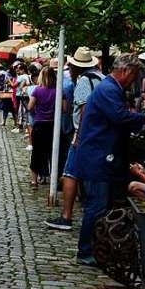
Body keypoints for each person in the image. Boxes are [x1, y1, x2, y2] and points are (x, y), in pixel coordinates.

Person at [72, 53, 145, 266]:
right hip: (98, 157)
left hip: (102, 155)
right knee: (97, 205)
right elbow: (120, 117)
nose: (134, 80)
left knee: (101, 205)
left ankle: (96, 249)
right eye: (134, 75)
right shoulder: (109, 89)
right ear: (125, 71)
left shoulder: (111, 89)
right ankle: (86, 251)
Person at [47, 47, 102, 231]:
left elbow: (85, 110)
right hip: (100, 134)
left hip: (84, 134)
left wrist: (78, 136)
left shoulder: (84, 82)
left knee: (71, 173)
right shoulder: (102, 78)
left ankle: (66, 216)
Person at [28, 66, 58, 187]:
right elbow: (65, 108)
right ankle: (51, 179)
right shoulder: (58, 91)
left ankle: (34, 180)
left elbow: (30, 107)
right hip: (52, 125)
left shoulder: (37, 90)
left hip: (39, 124)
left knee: (37, 152)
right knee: (51, 152)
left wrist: (37, 111)